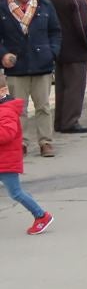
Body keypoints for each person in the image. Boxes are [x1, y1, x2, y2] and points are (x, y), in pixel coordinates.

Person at [0, 0, 61, 157]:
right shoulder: (3, 9)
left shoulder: (45, 5)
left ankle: (45, 142)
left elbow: (55, 31)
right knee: (19, 108)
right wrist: (3, 55)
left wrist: (52, 52)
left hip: (42, 64)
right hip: (16, 67)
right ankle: (20, 143)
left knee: (43, 106)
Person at [0, 73, 53, 235]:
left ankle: (41, 216)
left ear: (2, 91)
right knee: (16, 191)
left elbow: (7, 133)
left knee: (16, 192)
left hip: (6, 161)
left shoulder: (6, 111)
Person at [49, 0, 87, 134]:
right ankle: (70, 121)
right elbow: (83, 25)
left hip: (58, 47)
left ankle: (60, 121)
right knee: (75, 86)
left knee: (61, 86)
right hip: (75, 48)